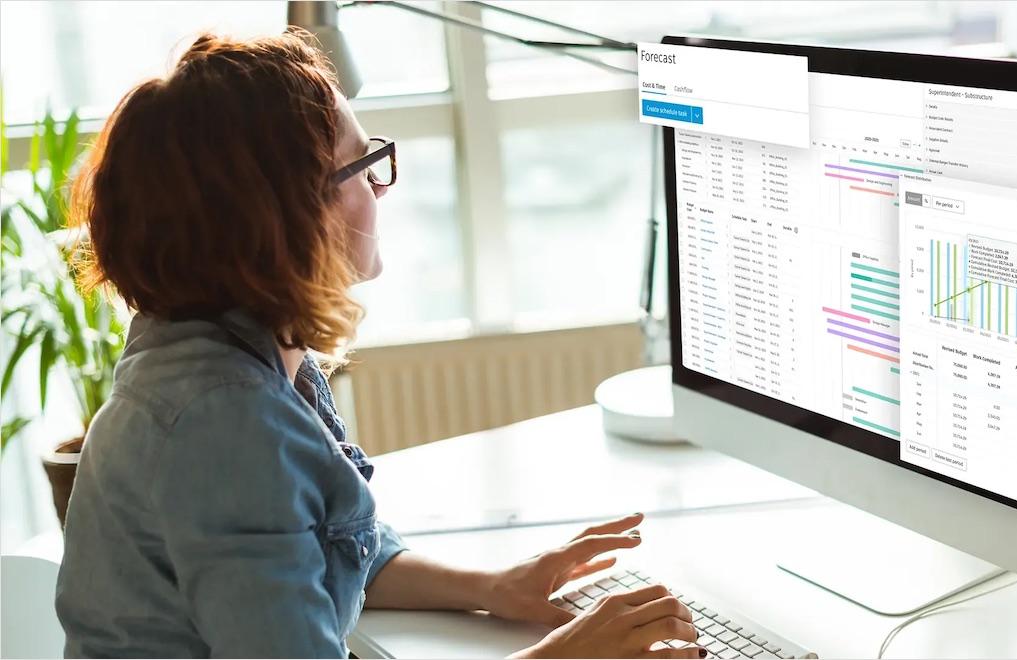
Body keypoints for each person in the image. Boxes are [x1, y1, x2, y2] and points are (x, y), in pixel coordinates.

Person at [54, 30, 702, 659]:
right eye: (366, 167)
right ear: (288, 215)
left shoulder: (230, 347)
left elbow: (328, 547)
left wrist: (495, 587)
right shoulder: (225, 423)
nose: (383, 187)